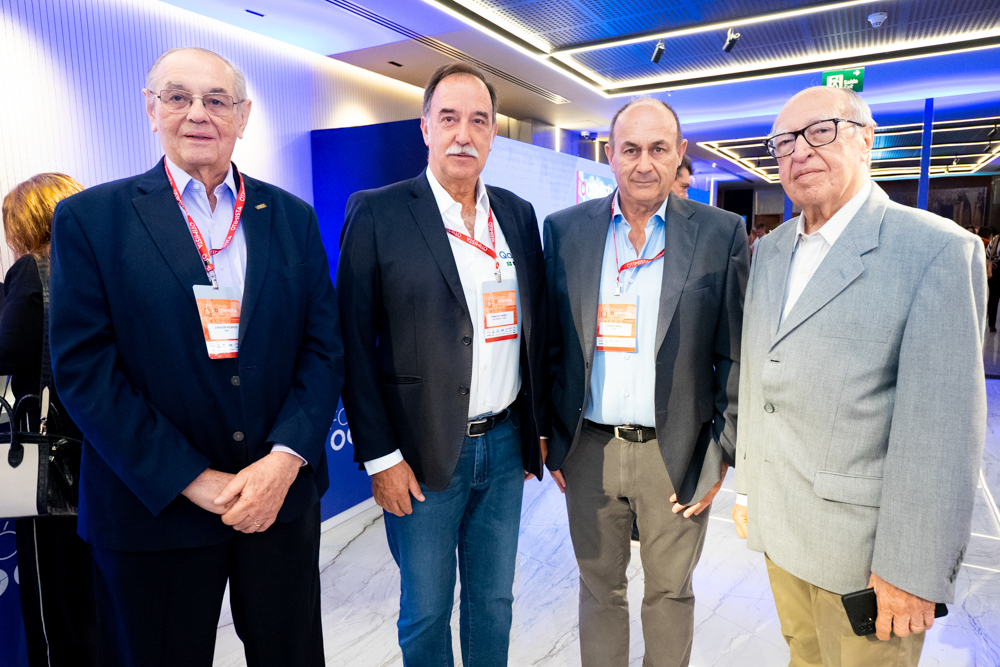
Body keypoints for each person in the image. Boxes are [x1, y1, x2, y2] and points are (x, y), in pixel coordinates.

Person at [48, 47, 344, 667]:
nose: (197, 114)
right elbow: (85, 371)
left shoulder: (290, 217)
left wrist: (283, 462)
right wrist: (193, 479)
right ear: (151, 109)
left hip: (276, 504)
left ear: (243, 115)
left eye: (216, 100)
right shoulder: (91, 220)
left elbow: (322, 349)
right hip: (151, 511)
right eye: (178, 97)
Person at [733, 86, 986, 666]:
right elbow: (760, 378)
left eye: (820, 131)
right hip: (781, 532)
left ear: (866, 140)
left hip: (866, 560)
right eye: (783, 142)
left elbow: (943, 434)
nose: (799, 151)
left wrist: (911, 570)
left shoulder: (935, 250)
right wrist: (749, 490)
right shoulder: (771, 251)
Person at [337, 62, 548, 666]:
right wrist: (381, 458)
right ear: (425, 127)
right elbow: (352, 344)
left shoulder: (516, 215)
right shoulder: (377, 212)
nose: (464, 134)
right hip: (419, 452)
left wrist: (535, 429)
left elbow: (534, 331)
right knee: (426, 610)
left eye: (479, 121)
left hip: (504, 446)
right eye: (449, 118)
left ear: (493, 134)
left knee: (494, 602)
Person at [543, 98, 749, 667]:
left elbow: (735, 353)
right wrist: (550, 436)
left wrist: (721, 454)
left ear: (679, 154)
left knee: (669, 593)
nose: (644, 163)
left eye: (659, 149)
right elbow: (551, 345)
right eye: (630, 149)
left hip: (676, 451)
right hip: (589, 450)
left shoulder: (720, 232)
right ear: (610, 155)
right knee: (598, 591)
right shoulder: (565, 231)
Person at [2, 173, 101, 666]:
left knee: (56, 605)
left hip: (52, 463)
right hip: (106, 456)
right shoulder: (104, 267)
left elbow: (9, 351)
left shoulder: (32, 269)